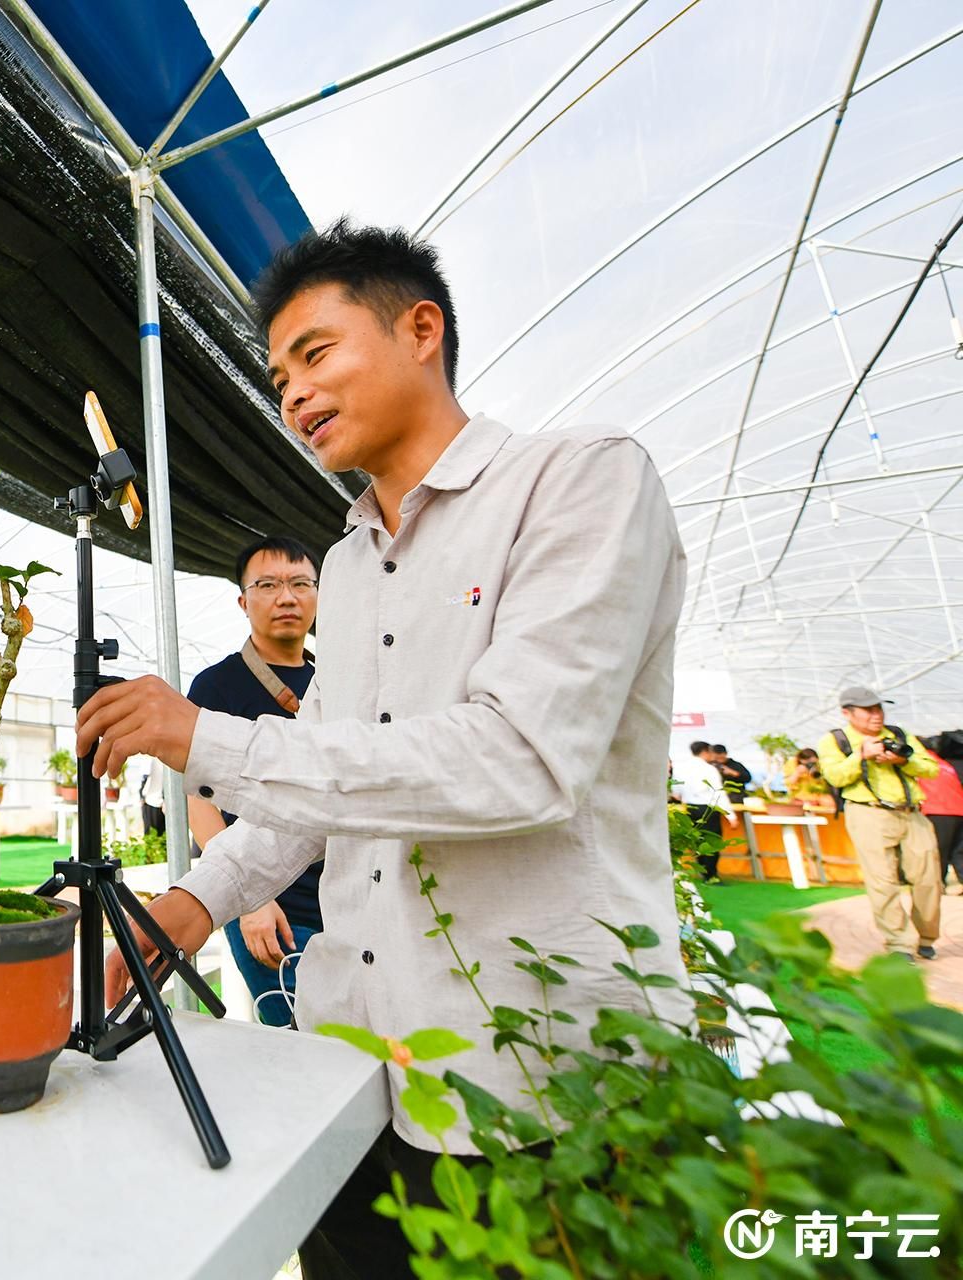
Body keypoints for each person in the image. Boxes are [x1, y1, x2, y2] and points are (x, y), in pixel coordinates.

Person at [74, 219, 686, 1277]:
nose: (293, 394)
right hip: (351, 1061)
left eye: (316, 352)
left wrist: (204, 734)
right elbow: (323, 779)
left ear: (420, 329)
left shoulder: (580, 482)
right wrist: (187, 907)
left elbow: (521, 760)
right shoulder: (347, 568)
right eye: (278, 376)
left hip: (534, 1078)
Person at [185, 534, 324, 1028]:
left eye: (300, 583)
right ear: (244, 601)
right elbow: (199, 805)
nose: (287, 597)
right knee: (299, 1050)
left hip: (351, 904)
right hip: (279, 914)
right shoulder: (215, 686)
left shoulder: (338, 679)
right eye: (268, 585)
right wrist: (252, 900)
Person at [817, 687, 941, 959]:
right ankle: (899, 943)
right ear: (847, 713)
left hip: (911, 812)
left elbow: (931, 769)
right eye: (869, 710)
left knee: (929, 879)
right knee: (882, 881)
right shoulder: (835, 740)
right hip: (868, 813)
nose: (877, 715)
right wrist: (861, 755)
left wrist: (903, 760)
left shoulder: (898, 734)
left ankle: (927, 936)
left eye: (879, 708)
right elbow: (835, 777)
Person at [670, 741, 729, 882]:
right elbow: (718, 792)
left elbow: (676, 792)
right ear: (705, 751)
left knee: (697, 840)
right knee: (712, 842)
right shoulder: (709, 769)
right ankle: (711, 875)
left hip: (691, 808)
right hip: (708, 809)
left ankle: (702, 870)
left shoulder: (681, 768)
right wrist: (730, 814)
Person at [918, 729, 963, 896]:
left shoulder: (920, 762)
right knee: (959, 851)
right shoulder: (944, 763)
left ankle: (938, 885)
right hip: (959, 810)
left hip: (938, 811)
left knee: (939, 850)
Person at [786, 747, 835, 815]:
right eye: (808, 763)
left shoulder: (820, 766)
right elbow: (788, 784)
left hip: (817, 798)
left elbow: (824, 787)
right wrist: (797, 773)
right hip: (799, 799)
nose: (810, 765)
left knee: (829, 802)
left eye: (813, 763)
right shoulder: (793, 765)